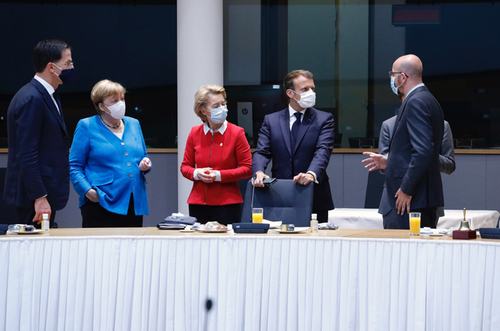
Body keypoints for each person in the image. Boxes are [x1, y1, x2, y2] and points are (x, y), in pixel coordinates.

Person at [362, 54, 445, 229]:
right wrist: (389, 161)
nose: (391, 79)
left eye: (393, 74)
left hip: (411, 199)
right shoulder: (428, 99)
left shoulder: (416, 102)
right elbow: (413, 149)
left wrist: (407, 189)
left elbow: (423, 151)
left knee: (403, 253)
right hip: (421, 197)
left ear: (403, 76)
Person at [3, 39, 75, 227]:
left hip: (43, 193)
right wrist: (39, 197)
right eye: (68, 63)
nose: (72, 67)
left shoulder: (49, 95)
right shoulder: (31, 98)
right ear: (51, 67)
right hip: (33, 198)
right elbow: (26, 153)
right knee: (30, 250)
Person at [252, 70, 335, 222]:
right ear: (290, 93)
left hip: (313, 194)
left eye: (312, 88)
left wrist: (311, 174)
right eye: (305, 89)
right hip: (279, 195)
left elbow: (323, 150)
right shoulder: (272, 120)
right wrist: (258, 171)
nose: (311, 92)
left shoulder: (324, 119)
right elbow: (262, 152)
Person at [69, 80, 152, 227]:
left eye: (122, 99)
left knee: (132, 248)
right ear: (101, 106)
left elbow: (143, 155)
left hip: (133, 200)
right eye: (114, 100)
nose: (121, 103)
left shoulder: (134, 124)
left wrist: (145, 164)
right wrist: (88, 192)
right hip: (101, 200)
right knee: (100, 249)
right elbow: (74, 166)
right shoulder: (86, 126)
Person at [181, 85, 252, 225]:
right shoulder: (194, 133)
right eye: (216, 106)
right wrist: (196, 173)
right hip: (198, 202)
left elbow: (247, 168)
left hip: (228, 203)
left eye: (223, 104)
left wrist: (219, 176)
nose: (222, 108)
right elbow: (185, 167)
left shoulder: (237, 132)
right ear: (203, 111)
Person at [378, 115, 456, 223]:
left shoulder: (441, 125)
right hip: (394, 201)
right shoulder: (389, 124)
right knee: (393, 239)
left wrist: (426, 155)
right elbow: (382, 167)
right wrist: (390, 162)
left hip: (428, 201)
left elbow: (449, 165)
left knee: (425, 239)